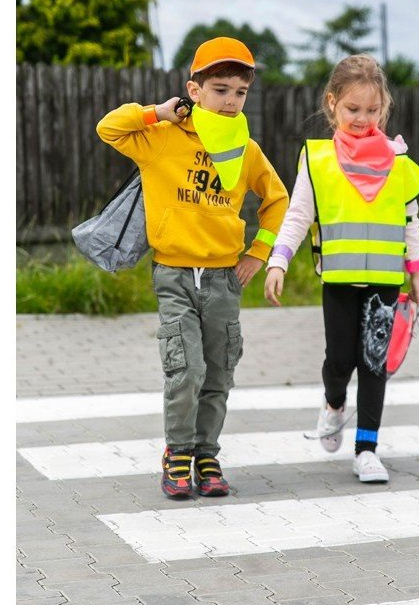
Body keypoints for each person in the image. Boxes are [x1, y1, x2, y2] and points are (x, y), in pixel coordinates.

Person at [97, 37, 288, 499]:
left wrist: (258, 254)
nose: (230, 101)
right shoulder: (163, 139)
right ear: (194, 90)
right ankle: (178, 454)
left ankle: (207, 455)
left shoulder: (246, 148)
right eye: (220, 90)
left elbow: (277, 200)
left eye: (240, 92)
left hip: (224, 279)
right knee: (185, 371)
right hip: (175, 276)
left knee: (218, 375)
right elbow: (109, 128)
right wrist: (157, 113)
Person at [263, 54, 419, 484]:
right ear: (332, 103)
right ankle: (334, 402)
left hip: (385, 281)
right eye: (353, 108)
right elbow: (299, 214)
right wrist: (279, 260)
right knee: (339, 360)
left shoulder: (398, 160)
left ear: (383, 109)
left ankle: (366, 450)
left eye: (372, 110)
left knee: (374, 363)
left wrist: (416, 272)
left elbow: (409, 219)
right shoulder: (317, 159)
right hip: (338, 280)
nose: (362, 118)